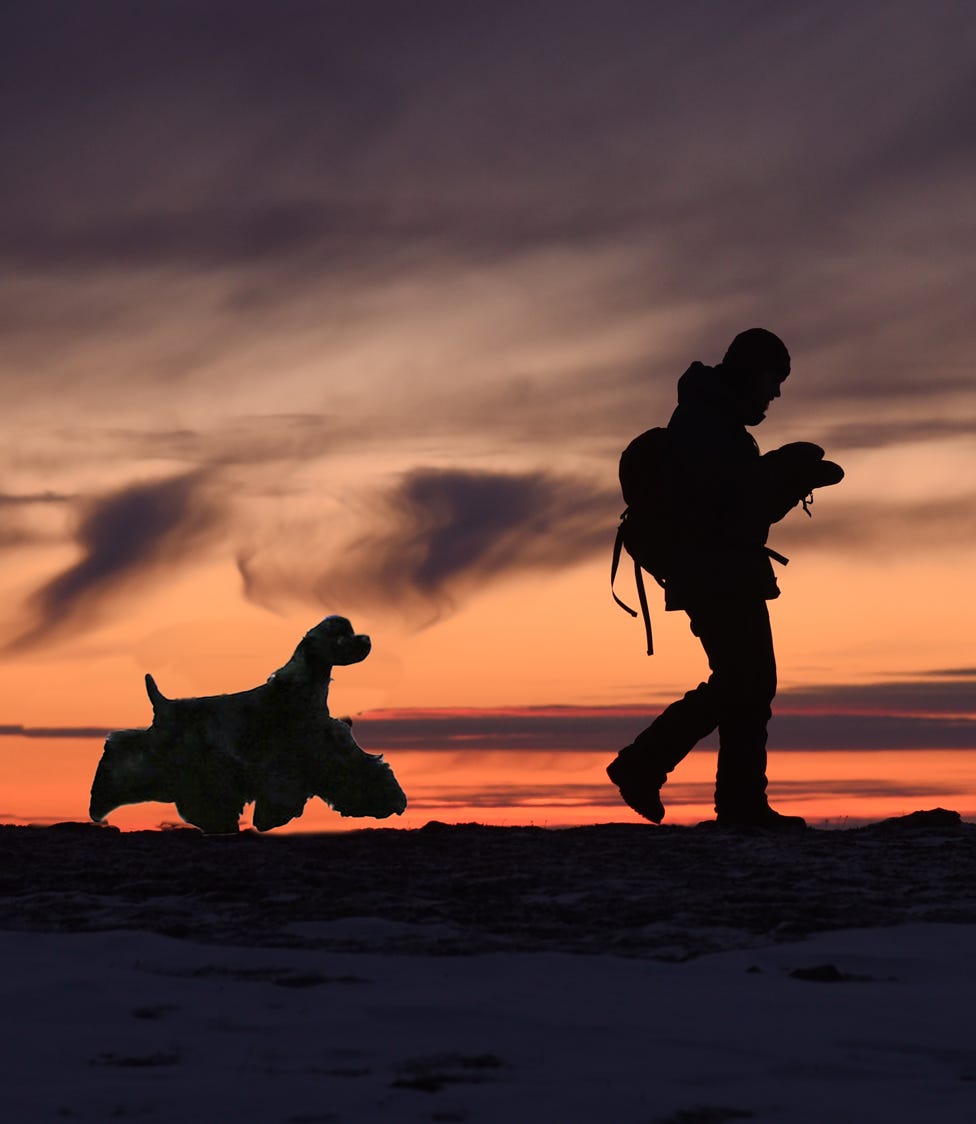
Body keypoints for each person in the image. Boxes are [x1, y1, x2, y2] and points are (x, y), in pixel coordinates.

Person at [606, 328, 843, 830]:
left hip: (717, 568)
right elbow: (730, 513)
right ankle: (648, 765)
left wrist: (785, 476)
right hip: (715, 571)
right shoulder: (708, 427)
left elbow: (735, 507)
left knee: (746, 683)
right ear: (750, 372)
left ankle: (735, 803)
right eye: (774, 379)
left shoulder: (712, 421)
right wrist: (788, 474)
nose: (776, 392)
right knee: (746, 681)